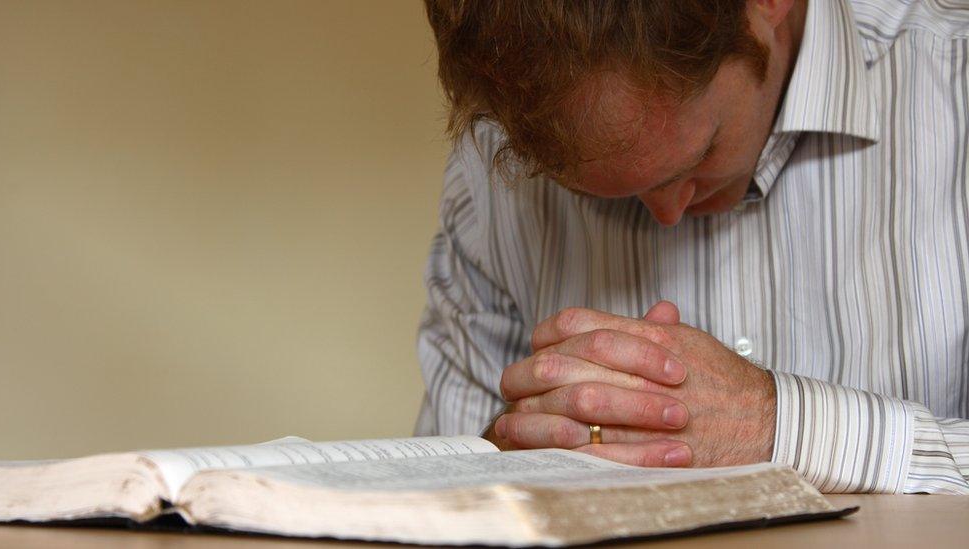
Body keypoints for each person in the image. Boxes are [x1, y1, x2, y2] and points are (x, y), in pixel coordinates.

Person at [415, 0, 969, 494]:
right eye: (596, 192)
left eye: (702, 156)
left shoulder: (954, 84)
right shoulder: (492, 173)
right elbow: (441, 493)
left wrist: (781, 429)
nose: (668, 215)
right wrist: (517, 446)